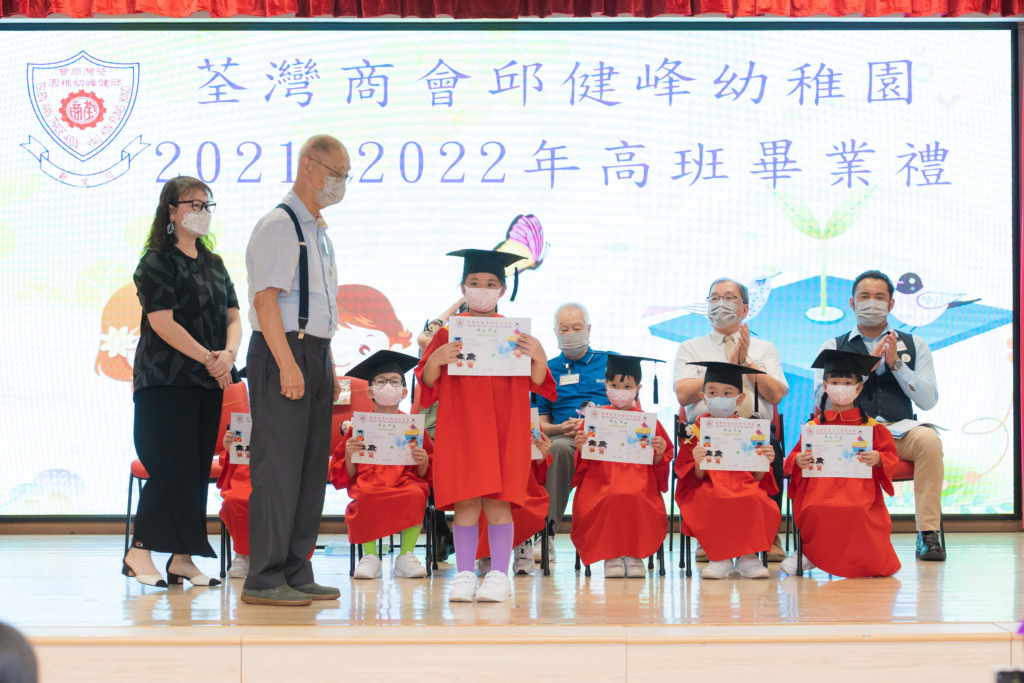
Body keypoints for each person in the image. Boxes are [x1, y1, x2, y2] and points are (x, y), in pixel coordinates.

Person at [242, 134, 348, 606]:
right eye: (336, 173)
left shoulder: (318, 231)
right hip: (283, 351)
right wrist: (287, 364)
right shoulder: (279, 225)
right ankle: (264, 577)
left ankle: (295, 568)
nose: (340, 184)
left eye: (346, 177)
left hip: (315, 353)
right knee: (279, 468)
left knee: (308, 469)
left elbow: (320, 307)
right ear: (309, 166)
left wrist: (325, 362)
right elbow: (266, 301)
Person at [416, 248, 557, 603]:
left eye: (491, 284)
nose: (482, 290)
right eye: (475, 283)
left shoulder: (515, 335)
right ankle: (465, 574)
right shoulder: (448, 334)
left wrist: (539, 354)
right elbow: (427, 384)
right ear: (463, 288)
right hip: (461, 428)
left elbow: (538, 381)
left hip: (504, 429)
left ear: (502, 290)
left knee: (499, 502)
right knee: (465, 503)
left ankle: (499, 576)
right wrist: (436, 359)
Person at [124, 175, 240, 589]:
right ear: (171, 211)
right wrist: (210, 358)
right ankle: (139, 551)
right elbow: (162, 322)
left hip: (208, 382)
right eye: (193, 204)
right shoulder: (156, 261)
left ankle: (183, 558)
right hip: (165, 380)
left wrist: (228, 355)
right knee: (170, 466)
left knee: (193, 470)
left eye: (207, 205)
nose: (202, 212)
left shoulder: (214, 263)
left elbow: (233, 316)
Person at [814, 270, 945, 562]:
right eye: (864, 297)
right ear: (852, 303)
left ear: (891, 304)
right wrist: (863, 369)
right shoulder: (833, 346)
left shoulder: (915, 344)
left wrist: (896, 364)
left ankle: (928, 534)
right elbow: (821, 401)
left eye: (879, 297)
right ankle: (835, 533)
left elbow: (928, 401)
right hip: (851, 433)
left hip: (899, 431)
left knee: (929, 440)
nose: (871, 303)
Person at [672, 278, 788, 561]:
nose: (719, 304)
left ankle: (769, 534)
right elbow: (683, 394)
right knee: (698, 462)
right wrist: (723, 371)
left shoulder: (764, 348)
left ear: (745, 309)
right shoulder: (690, 347)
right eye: (714, 298)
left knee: (772, 451)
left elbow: (776, 394)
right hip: (706, 429)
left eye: (728, 298)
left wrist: (745, 363)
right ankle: (706, 534)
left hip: (753, 428)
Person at [782, 350, 901, 578]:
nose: (841, 388)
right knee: (815, 506)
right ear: (825, 387)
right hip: (819, 487)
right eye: (835, 383)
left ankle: (860, 559)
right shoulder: (814, 427)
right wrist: (797, 460)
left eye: (847, 383)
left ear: (859, 387)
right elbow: (793, 457)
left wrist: (878, 458)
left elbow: (890, 457)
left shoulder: (872, 428)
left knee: (855, 508)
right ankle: (811, 553)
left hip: (858, 487)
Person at [329, 350, 432, 580]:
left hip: (405, 482)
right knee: (365, 494)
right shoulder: (359, 427)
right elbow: (346, 475)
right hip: (369, 482)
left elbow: (426, 474)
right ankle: (371, 557)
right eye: (381, 381)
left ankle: (405, 556)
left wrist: (424, 461)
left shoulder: (413, 427)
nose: (388, 386)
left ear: (404, 392)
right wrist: (349, 456)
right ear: (370, 391)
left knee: (416, 494)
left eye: (394, 382)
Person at [675, 361, 780, 580]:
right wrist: (698, 463)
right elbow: (693, 478)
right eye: (712, 392)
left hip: (745, 483)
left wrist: (766, 461)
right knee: (713, 497)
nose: (719, 398)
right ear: (704, 397)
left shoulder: (750, 430)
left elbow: (759, 477)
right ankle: (719, 558)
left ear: (740, 399)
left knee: (755, 497)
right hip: (708, 485)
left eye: (727, 393)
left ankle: (748, 558)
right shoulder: (695, 431)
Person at [569, 354, 671, 578]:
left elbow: (659, 463)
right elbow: (583, 464)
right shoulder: (595, 419)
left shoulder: (647, 422)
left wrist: (660, 452)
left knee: (633, 494)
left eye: (627, 386)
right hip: (600, 480)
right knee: (612, 495)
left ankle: (634, 555)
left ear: (638, 389)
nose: (620, 391)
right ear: (606, 385)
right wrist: (581, 446)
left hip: (640, 480)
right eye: (614, 385)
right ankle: (611, 555)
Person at [533, 302, 612, 563]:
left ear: (589, 329)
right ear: (555, 332)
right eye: (564, 329)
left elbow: (630, 407)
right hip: (564, 437)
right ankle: (545, 534)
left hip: (607, 439)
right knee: (557, 448)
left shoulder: (610, 362)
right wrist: (559, 428)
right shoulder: (547, 370)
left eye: (576, 328)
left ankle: (621, 542)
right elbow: (540, 423)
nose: (570, 334)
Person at [476, 430, 553, 576]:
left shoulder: (527, 423)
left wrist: (541, 458)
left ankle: (522, 542)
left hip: (523, 483)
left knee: (519, 499)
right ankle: (488, 549)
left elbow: (539, 476)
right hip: (487, 481)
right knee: (485, 498)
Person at [215, 382, 253, 579]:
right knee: (236, 499)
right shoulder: (245, 423)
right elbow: (232, 460)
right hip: (248, 472)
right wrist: (230, 448)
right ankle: (243, 555)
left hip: (282, 471)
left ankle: (280, 557)